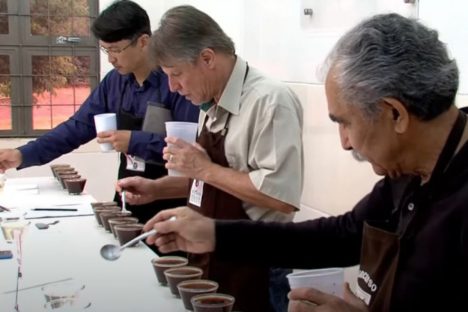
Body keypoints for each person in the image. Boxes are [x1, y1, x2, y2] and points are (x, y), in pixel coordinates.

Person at [142, 13, 468, 312]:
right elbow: (341, 235)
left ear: (395, 113)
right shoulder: (407, 176)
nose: (344, 143)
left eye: (345, 123)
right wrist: (213, 233)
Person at [117, 5, 304, 312]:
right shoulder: (211, 101)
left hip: (257, 264)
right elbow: (212, 183)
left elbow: (280, 195)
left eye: (176, 74)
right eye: (167, 77)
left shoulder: (269, 100)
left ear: (207, 58)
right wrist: (156, 190)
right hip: (212, 253)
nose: (173, 88)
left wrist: (204, 168)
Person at [0, 1, 199, 229]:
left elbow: (189, 147)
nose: (110, 59)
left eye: (116, 50)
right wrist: (22, 154)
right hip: (129, 193)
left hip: (173, 200)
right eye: (106, 49)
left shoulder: (175, 82)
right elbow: (77, 127)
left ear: (143, 41)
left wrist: (133, 141)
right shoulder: (115, 82)